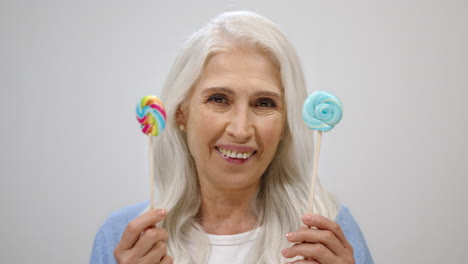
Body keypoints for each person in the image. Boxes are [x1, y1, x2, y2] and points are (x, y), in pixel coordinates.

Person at [91, 10, 374, 264]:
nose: (240, 130)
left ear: (287, 121)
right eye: (218, 99)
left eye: (264, 103)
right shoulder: (125, 239)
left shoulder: (327, 235)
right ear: (181, 112)